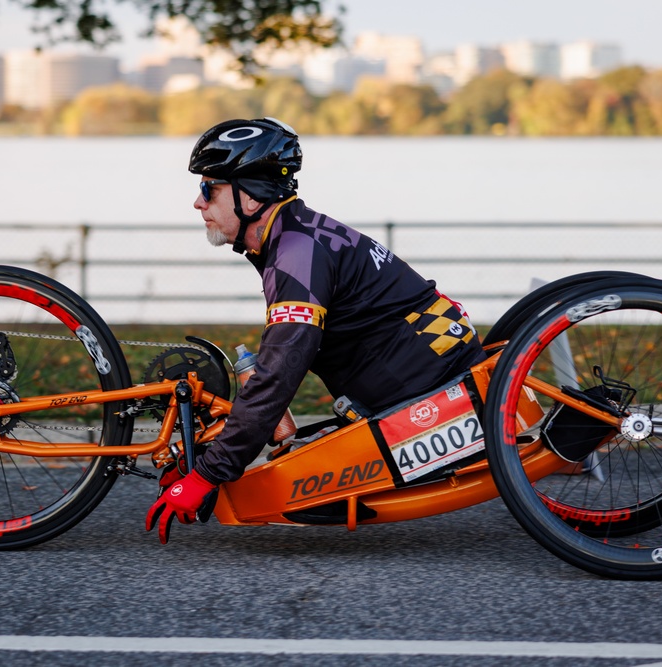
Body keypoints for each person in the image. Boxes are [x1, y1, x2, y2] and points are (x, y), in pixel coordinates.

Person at [146, 117, 487, 543]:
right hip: (430, 358)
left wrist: (208, 473)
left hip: (429, 386)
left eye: (208, 189)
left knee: (288, 492)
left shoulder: (295, 253)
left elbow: (279, 373)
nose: (198, 203)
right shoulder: (296, 233)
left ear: (249, 197)